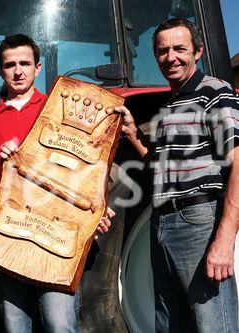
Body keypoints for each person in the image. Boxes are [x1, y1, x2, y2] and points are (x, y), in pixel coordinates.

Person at [0, 34, 112, 333]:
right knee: (14, 325)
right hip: (10, 231)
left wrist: (94, 212)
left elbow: (90, 167)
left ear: (38, 68)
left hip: (54, 232)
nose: (18, 71)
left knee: (59, 323)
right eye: (10, 65)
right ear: (0, 71)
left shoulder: (58, 109)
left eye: (25, 63)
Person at [115, 18, 238, 332]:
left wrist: (224, 241)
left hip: (197, 219)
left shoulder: (215, 91)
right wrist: (132, 136)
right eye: (162, 51)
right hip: (162, 222)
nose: (171, 57)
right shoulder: (172, 104)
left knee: (212, 322)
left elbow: (238, 162)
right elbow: (161, 168)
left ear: (197, 52)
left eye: (179, 49)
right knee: (170, 324)